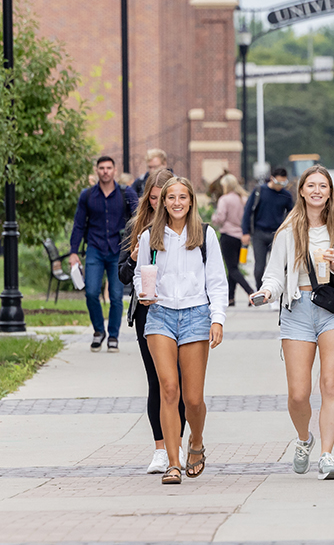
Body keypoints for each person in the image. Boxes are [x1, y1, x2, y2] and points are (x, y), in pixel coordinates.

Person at [252, 166, 334, 480]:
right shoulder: (288, 229)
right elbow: (273, 274)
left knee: (330, 384)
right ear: (301, 191)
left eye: (322, 186)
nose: (316, 191)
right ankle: (304, 439)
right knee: (299, 393)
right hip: (296, 309)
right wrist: (266, 291)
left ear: (330, 192)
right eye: (310, 185)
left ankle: (327, 455)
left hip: (332, 311)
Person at [133, 176, 228, 485]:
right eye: (170, 197)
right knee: (168, 389)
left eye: (182, 197)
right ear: (162, 202)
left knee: (193, 399)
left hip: (196, 315)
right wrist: (143, 293)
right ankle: (173, 462)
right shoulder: (150, 236)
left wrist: (218, 318)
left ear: (191, 201)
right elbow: (140, 273)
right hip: (159, 315)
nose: (176, 202)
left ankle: (196, 442)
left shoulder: (205, 235)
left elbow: (216, 280)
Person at [118, 168, 186, 475]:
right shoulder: (140, 230)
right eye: (157, 198)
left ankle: (179, 444)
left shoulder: (189, 229)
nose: (163, 203)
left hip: (183, 312)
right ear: (149, 198)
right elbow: (122, 275)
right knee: (159, 381)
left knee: (181, 383)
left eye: (169, 197)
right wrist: (133, 259)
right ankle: (161, 448)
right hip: (149, 312)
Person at [70, 155, 140, 353]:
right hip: (95, 248)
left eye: (109, 168)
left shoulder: (126, 193)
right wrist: (73, 251)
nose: (105, 171)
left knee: (116, 296)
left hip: (118, 250)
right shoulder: (87, 195)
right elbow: (78, 224)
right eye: (102, 168)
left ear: (114, 170)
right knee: (91, 291)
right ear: (97, 171)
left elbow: (137, 218)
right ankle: (99, 331)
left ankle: (114, 336)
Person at [241, 167, 294, 290]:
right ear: (272, 179)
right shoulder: (260, 191)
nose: (280, 185)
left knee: (279, 264)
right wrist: (245, 232)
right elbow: (248, 212)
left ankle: (278, 289)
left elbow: (292, 213)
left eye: (283, 183)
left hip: (277, 233)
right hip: (259, 233)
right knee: (260, 266)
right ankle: (261, 289)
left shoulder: (286, 195)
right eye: (278, 182)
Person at [211, 173, 254, 306]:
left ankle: (250, 292)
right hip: (240, 236)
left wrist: (214, 217)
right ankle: (231, 298)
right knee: (233, 268)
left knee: (232, 268)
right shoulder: (243, 199)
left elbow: (220, 218)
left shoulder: (224, 199)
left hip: (228, 235)